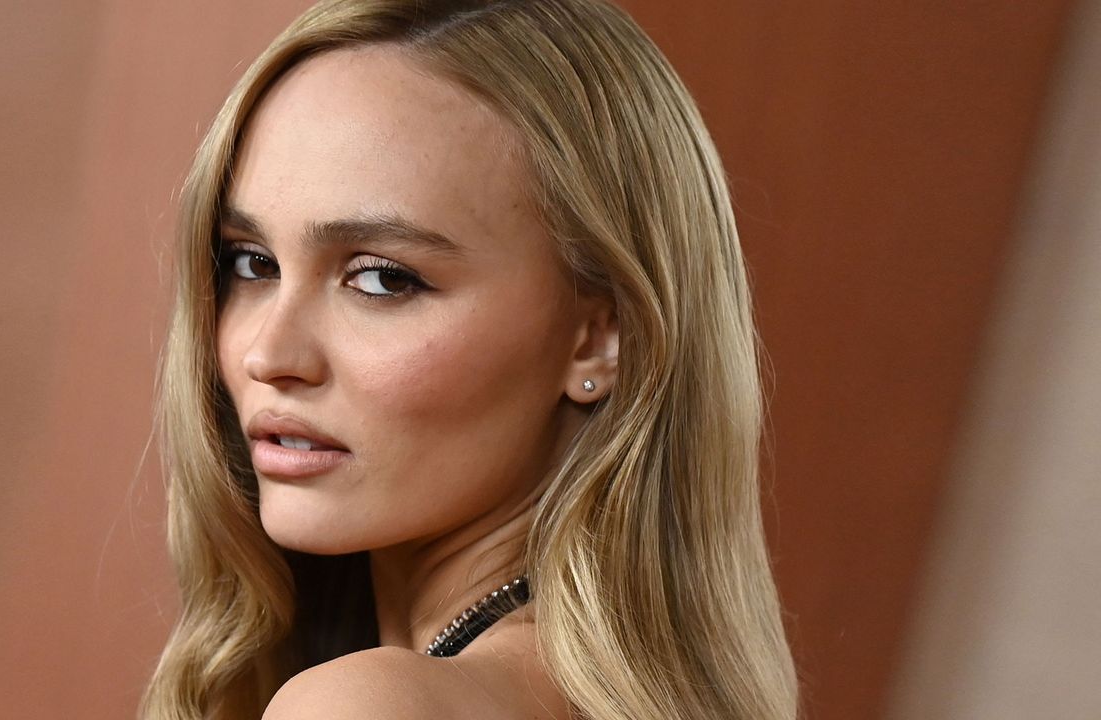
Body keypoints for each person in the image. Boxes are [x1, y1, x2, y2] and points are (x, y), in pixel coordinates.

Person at [140, 0, 798, 718]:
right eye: (252, 262)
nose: (269, 354)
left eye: (383, 279)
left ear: (599, 338)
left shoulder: (367, 707)